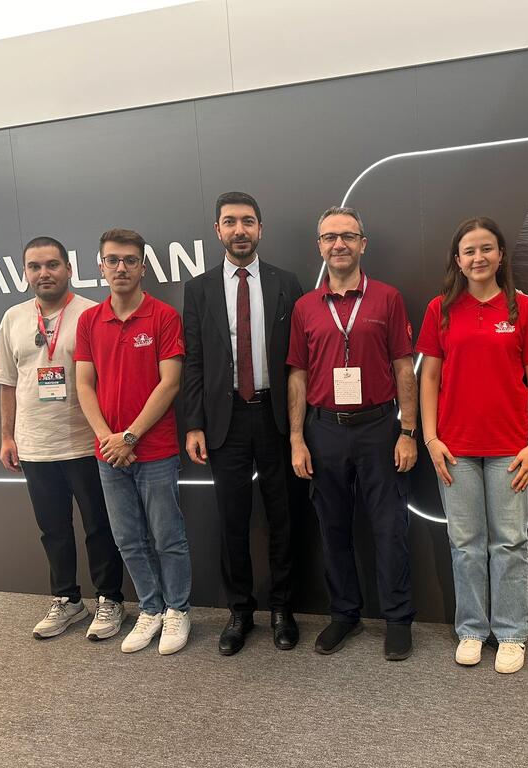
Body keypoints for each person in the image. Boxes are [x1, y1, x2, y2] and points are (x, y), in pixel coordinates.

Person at [417, 217, 528, 674]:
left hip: (510, 449)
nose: (478, 257)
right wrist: (430, 438)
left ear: (501, 255)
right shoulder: (440, 310)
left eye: (487, 248)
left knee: (510, 543)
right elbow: (428, 378)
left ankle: (511, 634)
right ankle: (472, 629)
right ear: (457, 260)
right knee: (465, 544)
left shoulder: (524, 309)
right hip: (454, 450)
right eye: (469, 250)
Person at [287, 206, 418, 661]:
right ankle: (345, 613)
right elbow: (298, 375)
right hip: (324, 430)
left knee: (390, 528)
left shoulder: (387, 298)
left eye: (347, 235)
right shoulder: (305, 307)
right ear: (319, 246)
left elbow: (404, 367)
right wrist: (297, 438)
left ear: (363, 243)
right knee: (333, 528)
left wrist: (408, 430)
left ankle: (397, 619)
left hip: (379, 428)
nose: (338, 244)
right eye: (329, 237)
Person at [182, 192, 304, 655]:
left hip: (275, 416)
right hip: (225, 419)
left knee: (283, 518)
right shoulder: (198, 289)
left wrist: (300, 426)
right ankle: (240, 612)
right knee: (232, 520)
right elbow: (194, 361)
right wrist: (194, 424)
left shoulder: (285, 282)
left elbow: (300, 360)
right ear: (218, 230)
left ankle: (283, 609)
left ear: (260, 229)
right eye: (230, 222)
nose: (239, 230)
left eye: (248, 221)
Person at [0, 236, 125, 641]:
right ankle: (67, 599)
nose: (43, 273)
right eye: (35, 266)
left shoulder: (92, 314)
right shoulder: (13, 318)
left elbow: (108, 379)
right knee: (53, 529)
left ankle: (110, 599)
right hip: (35, 445)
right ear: (25, 273)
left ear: (69, 269)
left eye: (52, 265)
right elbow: (7, 382)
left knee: (100, 526)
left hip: (86, 442)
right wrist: (7, 437)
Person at [75, 228, 192, 655]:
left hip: (154, 450)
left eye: (129, 260)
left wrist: (129, 436)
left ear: (142, 267)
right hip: (109, 453)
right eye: (113, 260)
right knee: (127, 539)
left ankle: (178, 609)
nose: (121, 267)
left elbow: (170, 383)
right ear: (101, 266)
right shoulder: (89, 321)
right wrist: (108, 439)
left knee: (167, 537)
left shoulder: (164, 316)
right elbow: (84, 385)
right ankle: (151, 608)